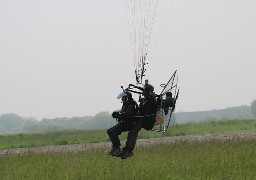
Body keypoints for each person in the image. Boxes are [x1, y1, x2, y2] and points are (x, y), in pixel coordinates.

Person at [120, 83, 158, 159]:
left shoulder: (152, 99)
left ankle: (129, 150)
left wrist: (146, 88)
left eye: (144, 90)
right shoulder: (146, 99)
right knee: (131, 132)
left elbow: (151, 97)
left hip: (145, 119)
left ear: (148, 91)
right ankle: (127, 148)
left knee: (133, 132)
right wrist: (134, 87)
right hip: (140, 118)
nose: (143, 92)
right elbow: (142, 93)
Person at [107, 91, 138, 156]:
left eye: (123, 98)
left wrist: (119, 115)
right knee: (109, 131)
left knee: (112, 132)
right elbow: (123, 112)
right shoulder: (126, 104)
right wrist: (116, 114)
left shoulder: (131, 105)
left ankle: (117, 149)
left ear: (126, 98)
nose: (122, 99)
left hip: (128, 124)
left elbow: (128, 114)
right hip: (124, 122)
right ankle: (115, 147)